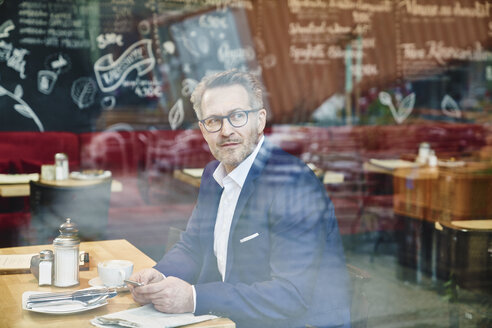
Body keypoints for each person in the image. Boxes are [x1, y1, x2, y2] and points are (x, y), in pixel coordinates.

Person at [128, 69, 351, 328]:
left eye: (237, 116)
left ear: (260, 120)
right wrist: (161, 275)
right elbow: (193, 246)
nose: (226, 130)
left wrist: (194, 298)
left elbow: (291, 296)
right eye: (213, 121)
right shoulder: (214, 174)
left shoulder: (292, 184)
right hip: (230, 320)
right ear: (203, 130)